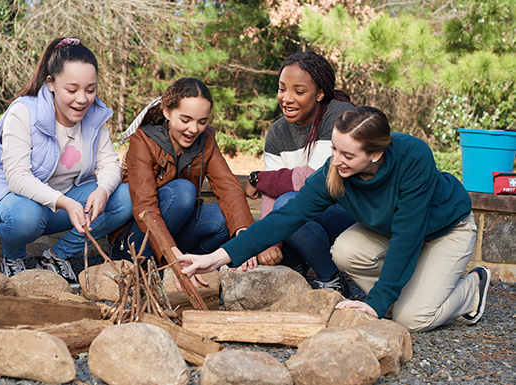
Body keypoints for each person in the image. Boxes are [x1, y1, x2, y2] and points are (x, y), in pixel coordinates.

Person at [180, 106, 490, 332]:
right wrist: (217, 257)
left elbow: (407, 236)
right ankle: (407, 292)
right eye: (334, 149)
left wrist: (377, 303)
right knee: (344, 251)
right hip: (392, 231)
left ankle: (472, 289)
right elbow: (286, 217)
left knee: (411, 320)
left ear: (375, 155)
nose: (336, 161)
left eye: (347, 155)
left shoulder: (413, 159)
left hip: (445, 229)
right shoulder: (335, 170)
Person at [0, 37, 132, 282]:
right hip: (15, 204)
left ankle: (55, 257)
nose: (83, 99)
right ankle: (12, 257)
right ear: (51, 83)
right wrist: (65, 202)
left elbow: (109, 164)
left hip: (63, 206)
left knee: (126, 198)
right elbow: (17, 177)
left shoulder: (94, 116)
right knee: (26, 216)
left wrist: (104, 191)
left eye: (90, 89)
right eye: (72, 90)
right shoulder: (23, 112)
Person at [114, 77, 265, 282]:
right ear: (167, 111)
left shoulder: (206, 140)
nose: (194, 129)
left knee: (222, 221)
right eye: (185, 120)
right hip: (137, 239)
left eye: (202, 122)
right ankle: (159, 263)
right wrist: (170, 252)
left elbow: (228, 187)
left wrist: (244, 236)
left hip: (176, 237)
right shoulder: (143, 139)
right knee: (183, 191)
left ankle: (188, 265)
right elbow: (144, 206)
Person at [244, 51, 356, 296]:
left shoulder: (340, 115)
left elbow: (314, 178)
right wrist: (267, 241)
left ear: (320, 93)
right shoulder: (277, 133)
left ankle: (331, 278)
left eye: (299, 91)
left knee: (290, 202)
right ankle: (298, 267)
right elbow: (269, 193)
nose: (287, 98)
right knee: (284, 207)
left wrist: (260, 179)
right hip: (306, 223)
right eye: (282, 89)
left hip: (348, 215)